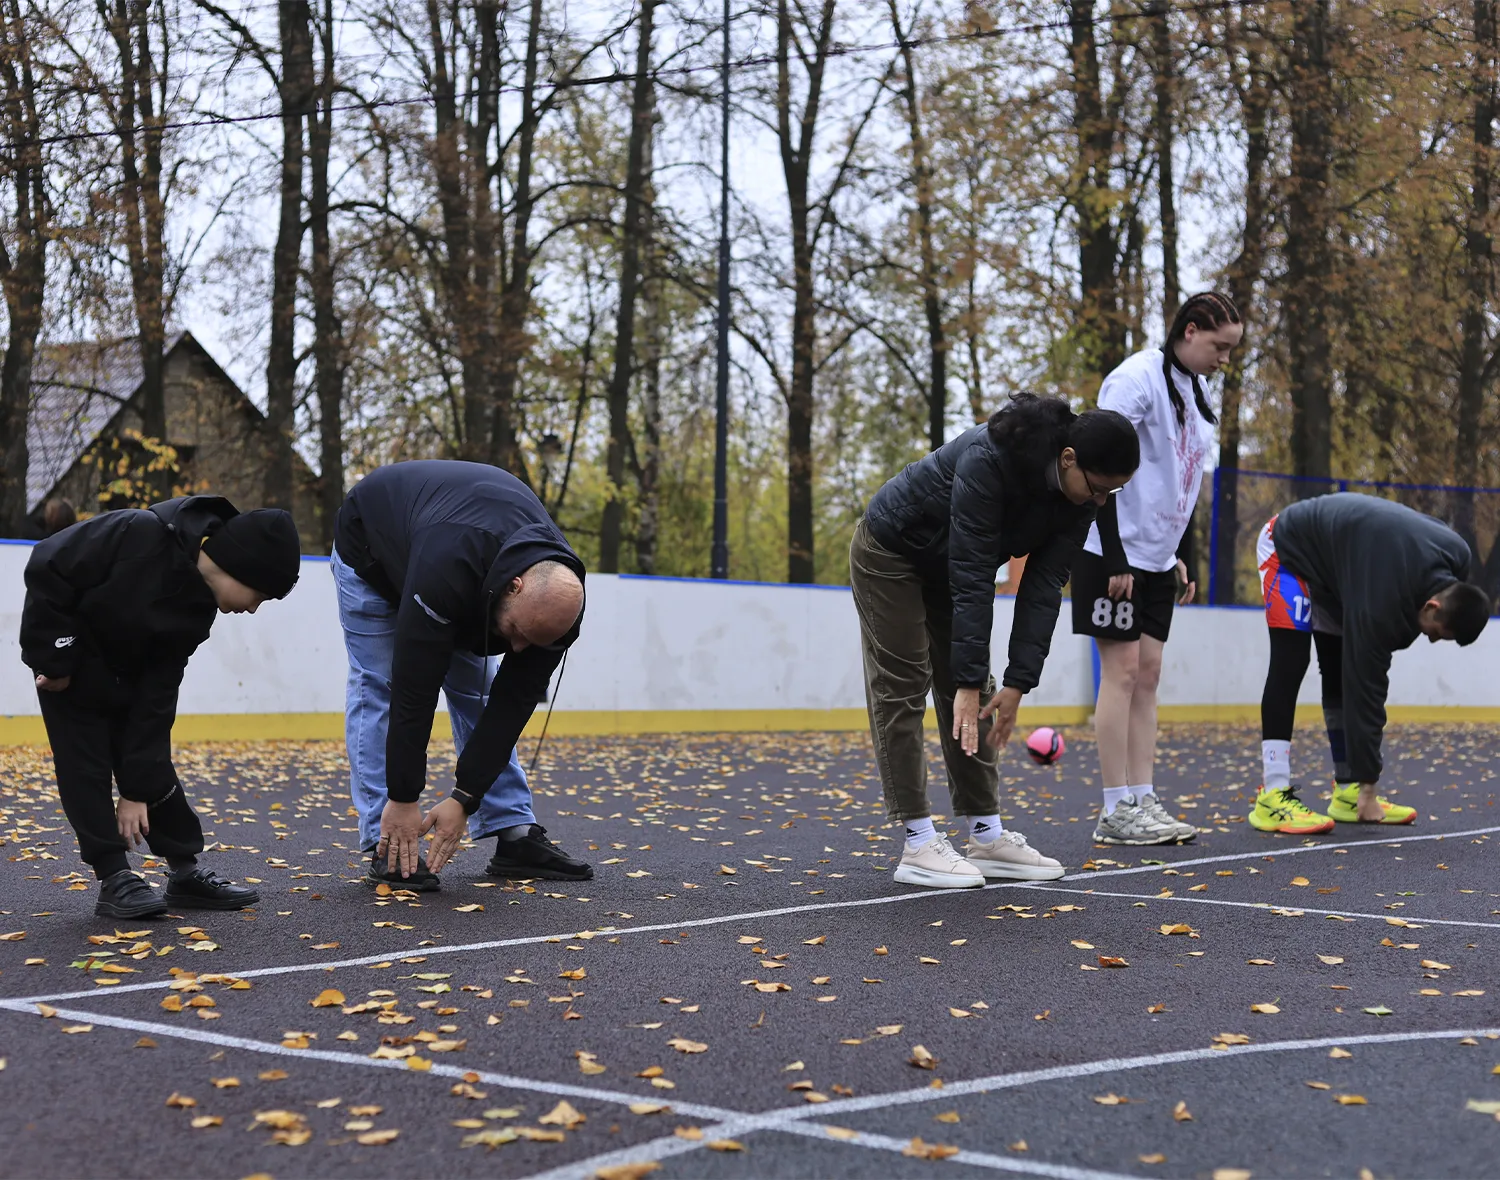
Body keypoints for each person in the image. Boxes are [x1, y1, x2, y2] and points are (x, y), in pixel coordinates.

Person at [851, 393, 1140, 889]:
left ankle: (986, 836)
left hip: (949, 565)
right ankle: (919, 843)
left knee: (978, 695)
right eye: (1097, 488)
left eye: (1111, 494)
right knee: (904, 686)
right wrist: (963, 679)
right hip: (893, 549)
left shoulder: (1082, 499)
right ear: (1068, 458)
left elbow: (1045, 586)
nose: (1100, 502)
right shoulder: (991, 458)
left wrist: (1017, 683)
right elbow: (973, 575)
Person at [19, 497, 300, 918]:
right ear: (241, 566)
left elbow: (158, 695)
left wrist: (136, 789)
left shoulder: (198, 608)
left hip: (130, 679)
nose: (253, 607)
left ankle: (184, 872)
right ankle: (113, 875)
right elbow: (47, 564)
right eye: (258, 594)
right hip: (71, 669)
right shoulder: (136, 532)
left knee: (150, 760)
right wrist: (55, 657)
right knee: (85, 763)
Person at [331, 460, 591, 889]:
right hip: (372, 546)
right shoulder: (448, 568)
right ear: (514, 587)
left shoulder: (557, 607)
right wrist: (404, 797)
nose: (519, 650)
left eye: (533, 643)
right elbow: (414, 690)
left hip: (461, 560)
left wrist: (465, 798)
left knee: (482, 692)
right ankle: (387, 838)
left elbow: (512, 702)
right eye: (517, 634)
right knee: (378, 683)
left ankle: (514, 833)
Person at [1072, 292, 1243, 845]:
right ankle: (1113, 808)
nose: (1224, 358)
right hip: (1111, 552)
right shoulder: (1135, 379)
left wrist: (1180, 553)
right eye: (1219, 346)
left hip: (1156, 558)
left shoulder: (1195, 391)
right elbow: (1101, 463)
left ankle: (1143, 798)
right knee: (1120, 674)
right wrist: (1117, 556)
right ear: (1190, 331)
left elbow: (1184, 479)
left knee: (1148, 676)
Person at [1251, 492, 1491, 832]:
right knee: (1292, 660)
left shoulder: (1455, 556)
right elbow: (1368, 690)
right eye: (1435, 633)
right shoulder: (1378, 601)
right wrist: (1371, 789)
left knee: (1336, 667)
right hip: (1289, 546)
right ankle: (1272, 795)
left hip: (1340, 568)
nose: (1430, 639)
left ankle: (1347, 790)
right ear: (1433, 607)